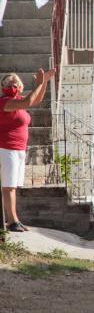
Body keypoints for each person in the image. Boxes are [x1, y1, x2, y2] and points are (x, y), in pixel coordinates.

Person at [0, 69, 55, 232]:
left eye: (15, 82)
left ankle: (14, 219)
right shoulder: (5, 102)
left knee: (13, 186)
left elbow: (36, 100)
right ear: (3, 87)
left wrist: (44, 82)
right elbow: (29, 102)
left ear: (21, 86)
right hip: (5, 148)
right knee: (8, 186)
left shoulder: (19, 102)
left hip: (18, 149)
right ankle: (11, 221)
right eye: (8, 83)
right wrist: (38, 83)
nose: (12, 84)